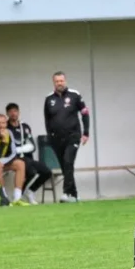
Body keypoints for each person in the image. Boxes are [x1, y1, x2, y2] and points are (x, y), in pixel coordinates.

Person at [44, 72, 90, 202]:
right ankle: (74, 195)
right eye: (57, 81)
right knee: (65, 167)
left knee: (68, 161)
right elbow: (47, 119)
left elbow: (85, 113)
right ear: (54, 82)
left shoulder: (75, 95)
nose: (60, 83)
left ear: (65, 81)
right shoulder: (49, 99)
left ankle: (66, 193)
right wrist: (49, 136)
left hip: (73, 136)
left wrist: (86, 132)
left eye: (62, 80)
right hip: (56, 139)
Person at [7, 103, 51, 205]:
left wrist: (19, 149)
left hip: (28, 159)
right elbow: (9, 150)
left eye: (15, 111)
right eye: (11, 111)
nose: (13, 113)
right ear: (7, 113)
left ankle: (30, 191)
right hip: (14, 159)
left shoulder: (25, 126)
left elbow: (32, 147)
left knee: (47, 171)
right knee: (31, 172)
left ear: (18, 112)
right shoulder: (6, 127)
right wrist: (22, 149)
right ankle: (17, 197)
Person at [0, 114, 29, 206]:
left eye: (3, 123)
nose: (1, 126)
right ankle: (4, 198)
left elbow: (13, 153)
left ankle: (17, 198)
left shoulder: (9, 133)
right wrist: (3, 141)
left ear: (6, 124)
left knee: (20, 164)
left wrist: (3, 161)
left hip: (1, 161)